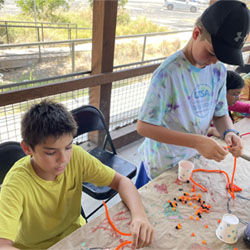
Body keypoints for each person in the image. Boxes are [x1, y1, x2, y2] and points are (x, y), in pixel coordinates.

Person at [0, 100, 154, 250]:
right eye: (50, 152)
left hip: (77, 236)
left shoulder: (76, 157)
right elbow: (3, 244)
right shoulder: (16, 184)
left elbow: (121, 181)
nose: (63, 159)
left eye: (68, 147)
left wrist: (139, 216)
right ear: (27, 149)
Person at [135, 0, 249, 188]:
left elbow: (220, 113)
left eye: (220, 57)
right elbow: (144, 127)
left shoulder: (218, 70)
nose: (214, 62)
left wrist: (229, 132)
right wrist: (197, 141)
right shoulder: (168, 74)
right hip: (162, 165)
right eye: (212, 52)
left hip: (193, 158)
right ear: (196, 34)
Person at [208, 70, 250, 137]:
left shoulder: (224, 103)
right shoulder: (204, 107)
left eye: (238, 94)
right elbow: (192, 131)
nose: (238, 98)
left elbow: (248, 107)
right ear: (222, 91)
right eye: (235, 94)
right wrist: (212, 131)